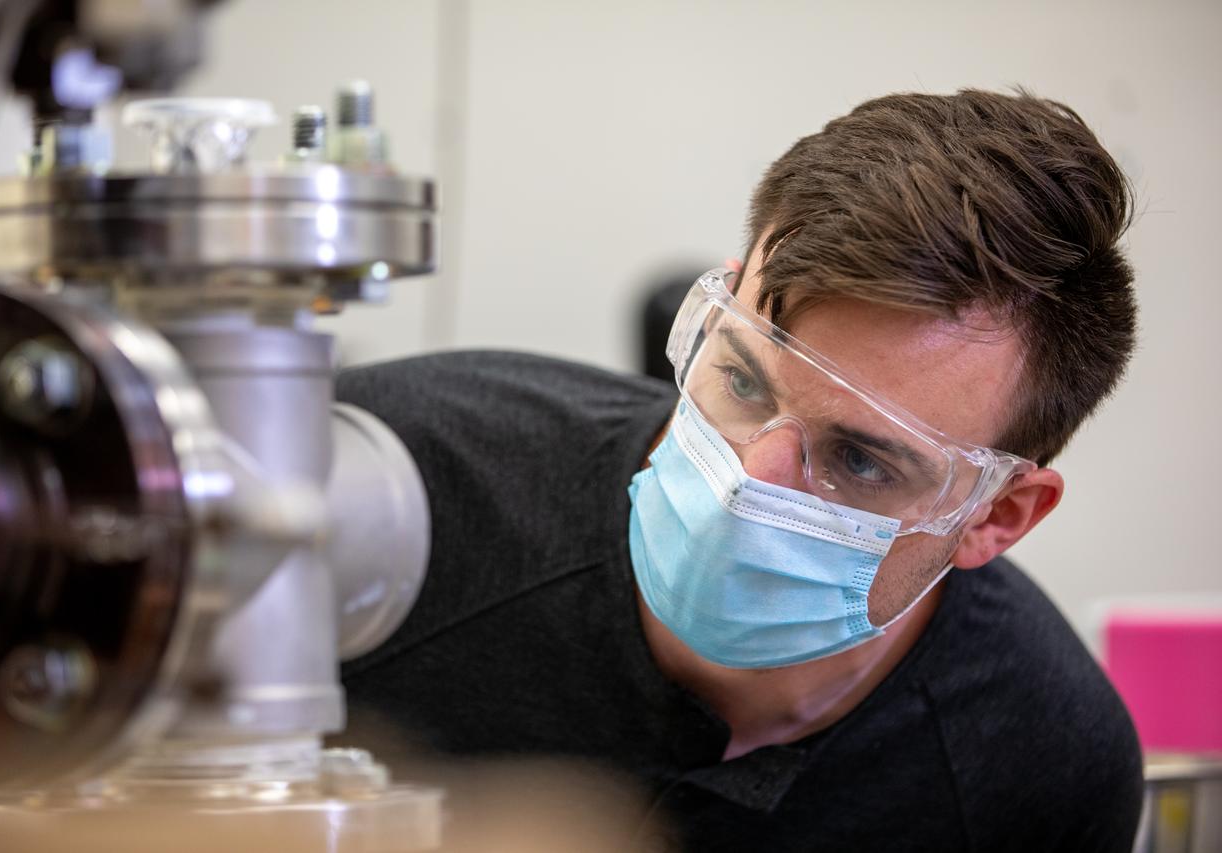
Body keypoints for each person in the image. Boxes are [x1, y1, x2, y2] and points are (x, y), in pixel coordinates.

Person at [335, 89, 1144, 851]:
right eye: (744, 381)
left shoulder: (1038, 764)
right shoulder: (382, 495)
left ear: (995, 516)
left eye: (859, 459)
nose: (749, 480)